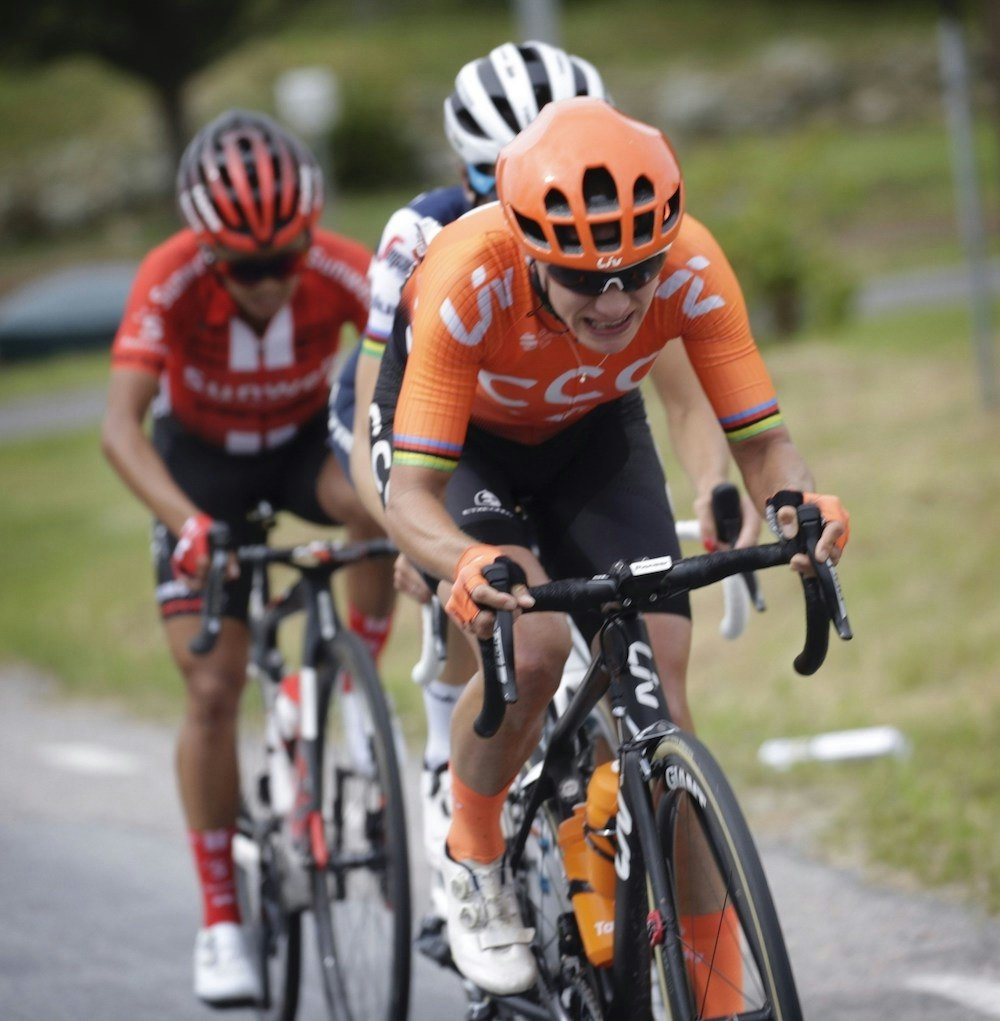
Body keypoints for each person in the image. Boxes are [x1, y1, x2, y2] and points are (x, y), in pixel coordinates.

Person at [379, 96, 849, 996]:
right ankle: (472, 848)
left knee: (663, 699)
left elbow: (761, 442)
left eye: (637, 270)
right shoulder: (464, 279)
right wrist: (463, 561)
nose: (619, 297)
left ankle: (708, 997)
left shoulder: (693, 266)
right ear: (530, 252)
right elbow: (409, 494)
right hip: (462, 440)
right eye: (587, 279)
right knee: (539, 636)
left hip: (591, 427)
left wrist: (795, 508)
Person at [333, 41, 758, 923]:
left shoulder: (631, 253)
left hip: (579, 426)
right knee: (510, 629)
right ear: (469, 170)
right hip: (445, 426)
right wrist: (422, 547)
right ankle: (457, 796)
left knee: (658, 686)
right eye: (496, 175)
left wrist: (718, 487)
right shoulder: (433, 242)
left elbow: (679, 387)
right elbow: (388, 420)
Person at [101, 109, 395, 1008]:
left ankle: (355, 686)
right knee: (213, 687)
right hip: (199, 466)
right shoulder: (171, 275)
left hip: (302, 443)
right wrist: (187, 523)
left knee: (376, 508)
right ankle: (222, 918)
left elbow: (408, 375)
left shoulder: (343, 263)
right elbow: (120, 427)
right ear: (208, 249)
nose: (271, 284)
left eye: (286, 260)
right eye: (247, 268)